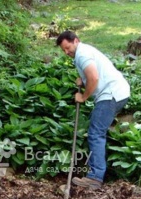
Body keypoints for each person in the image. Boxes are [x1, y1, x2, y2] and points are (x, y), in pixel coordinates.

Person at [56, 31, 130, 189]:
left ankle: (95, 178)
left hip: (111, 94)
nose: (66, 52)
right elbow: (93, 74)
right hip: (116, 92)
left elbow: (94, 77)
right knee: (97, 130)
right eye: (63, 50)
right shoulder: (84, 52)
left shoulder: (82, 54)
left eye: (68, 48)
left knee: (95, 133)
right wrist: (83, 80)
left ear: (76, 41)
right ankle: (97, 173)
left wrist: (83, 97)